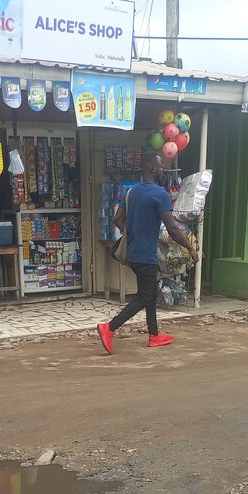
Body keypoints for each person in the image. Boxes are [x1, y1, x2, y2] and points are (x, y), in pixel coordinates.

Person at [97, 151, 199, 355]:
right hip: (146, 255)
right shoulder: (159, 194)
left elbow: (117, 219)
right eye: (160, 166)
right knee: (144, 296)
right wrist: (190, 248)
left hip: (133, 254)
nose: (162, 170)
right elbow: (172, 228)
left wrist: (134, 233)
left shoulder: (132, 192)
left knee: (150, 293)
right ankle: (109, 327)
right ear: (152, 168)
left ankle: (154, 335)